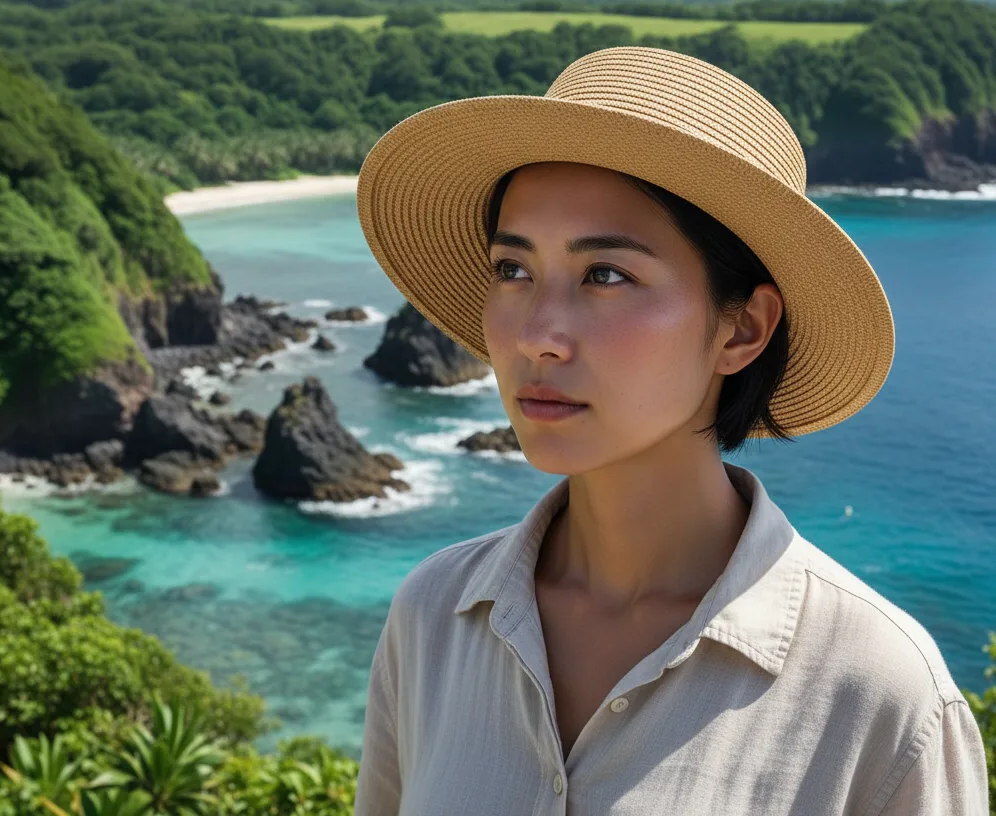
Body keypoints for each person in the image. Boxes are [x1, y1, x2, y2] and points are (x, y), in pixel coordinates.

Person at [352, 46, 989, 814]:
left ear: (742, 328)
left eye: (606, 275)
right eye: (512, 270)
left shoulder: (879, 697)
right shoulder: (432, 616)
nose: (537, 336)